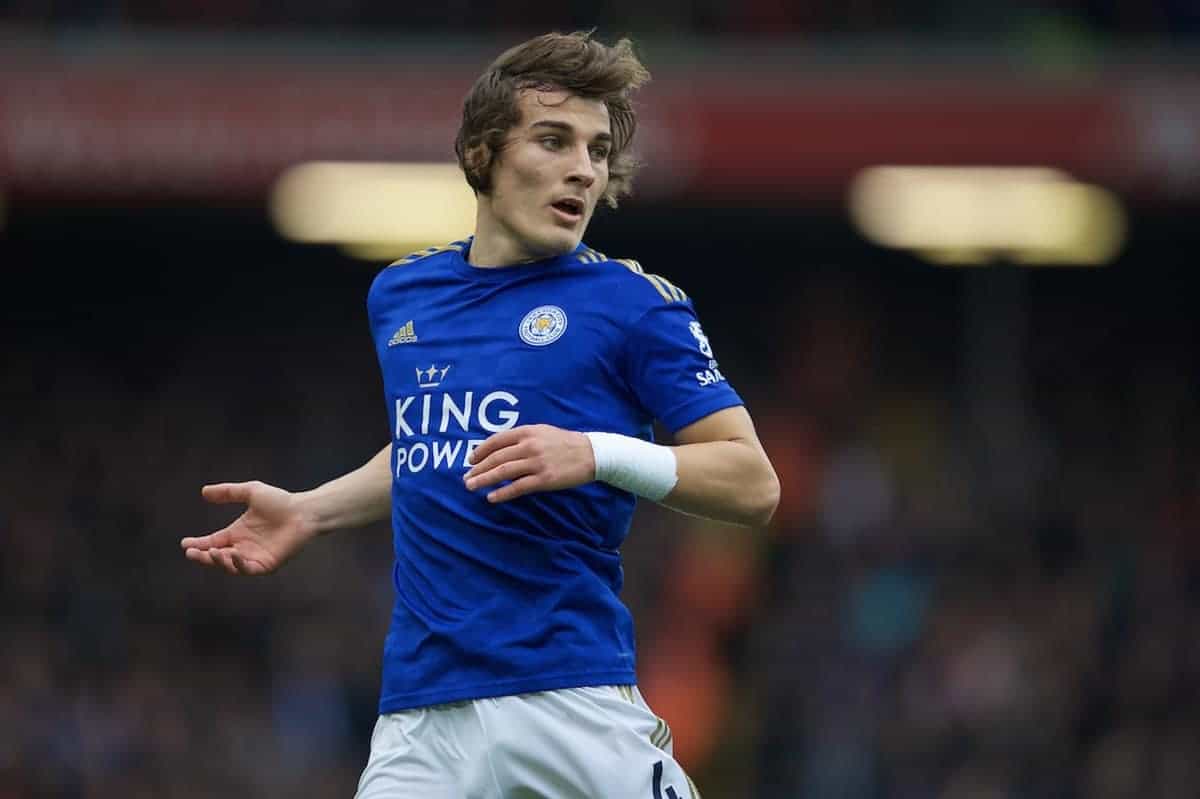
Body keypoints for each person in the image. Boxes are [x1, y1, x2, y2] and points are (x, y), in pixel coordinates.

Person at [181, 30, 779, 798]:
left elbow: (753, 483)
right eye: (554, 140)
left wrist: (596, 452)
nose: (582, 170)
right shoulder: (402, 295)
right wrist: (312, 509)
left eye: (597, 151)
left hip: (573, 704)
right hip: (420, 724)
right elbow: (433, 444)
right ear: (481, 155)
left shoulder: (633, 306)